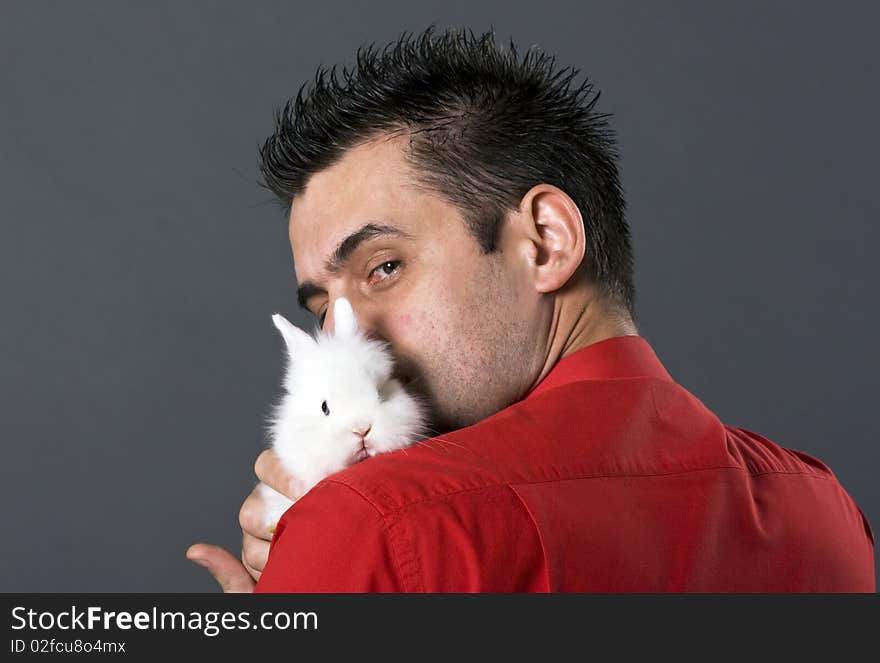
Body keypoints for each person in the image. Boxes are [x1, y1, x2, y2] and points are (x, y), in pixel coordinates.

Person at [186, 26, 875, 592]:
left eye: (384, 268)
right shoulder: (829, 512)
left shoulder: (378, 527)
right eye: (324, 310)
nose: (352, 340)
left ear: (546, 242)